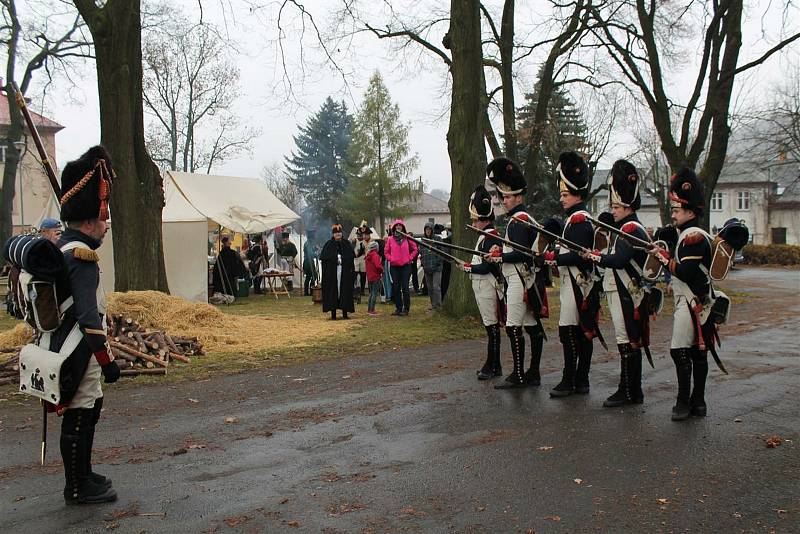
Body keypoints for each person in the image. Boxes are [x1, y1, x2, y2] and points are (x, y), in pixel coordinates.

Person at [49, 145, 120, 504]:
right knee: (79, 415)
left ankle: (84, 475)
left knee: (89, 410)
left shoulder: (63, 246)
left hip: (67, 345)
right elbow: (90, 319)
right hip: (78, 348)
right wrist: (108, 361)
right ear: (90, 221)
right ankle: (76, 486)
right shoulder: (82, 255)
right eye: (102, 220)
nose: (105, 226)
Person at [582, 159, 651, 407]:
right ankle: (630, 389)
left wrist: (596, 256)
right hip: (619, 291)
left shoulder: (631, 228)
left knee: (628, 340)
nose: (613, 209)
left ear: (627, 204)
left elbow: (620, 260)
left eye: (616, 205)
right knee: (626, 339)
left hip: (627, 292)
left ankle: (630, 390)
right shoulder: (623, 228)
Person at [649, 168, 714, 421]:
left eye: (676, 210)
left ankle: (684, 402)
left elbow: (685, 272)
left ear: (689, 211)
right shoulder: (688, 235)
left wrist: (662, 257)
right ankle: (698, 403)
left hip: (690, 302)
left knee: (680, 351)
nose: (673, 215)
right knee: (697, 352)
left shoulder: (693, 236)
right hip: (694, 300)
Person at [484, 158, 547, 389]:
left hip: (519, 279)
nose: (504, 201)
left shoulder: (519, 220)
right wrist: (501, 251)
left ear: (519, 197)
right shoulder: (519, 219)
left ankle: (519, 374)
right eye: (503, 197)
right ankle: (532, 372)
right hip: (520, 278)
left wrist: (499, 256)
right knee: (531, 326)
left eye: (508, 197)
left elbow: (521, 254)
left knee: (513, 327)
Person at [544, 151, 602, 398]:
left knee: (570, 331)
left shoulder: (578, 220)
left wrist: (554, 257)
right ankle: (581, 379)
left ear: (577, 194)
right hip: (578, 284)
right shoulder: (577, 219)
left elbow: (578, 255)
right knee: (581, 332)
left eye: (565, 194)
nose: (562, 199)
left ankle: (571, 379)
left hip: (578, 284)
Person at [459, 186, 504, 379]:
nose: (474, 223)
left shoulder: (491, 237)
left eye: (475, 220)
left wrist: (468, 267)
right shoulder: (484, 236)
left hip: (488, 286)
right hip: (481, 286)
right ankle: (495, 365)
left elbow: (486, 267)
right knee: (490, 327)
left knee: (492, 327)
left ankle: (492, 366)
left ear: (482, 218)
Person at [319, 224, 355, 320]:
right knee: (333, 291)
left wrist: (343, 260)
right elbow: (324, 259)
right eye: (335, 233)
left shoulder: (347, 244)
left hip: (344, 273)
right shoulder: (328, 245)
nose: (338, 234)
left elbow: (351, 257)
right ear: (333, 234)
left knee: (344, 291)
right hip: (332, 274)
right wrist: (334, 259)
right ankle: (333, 314)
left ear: (341, 233)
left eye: (339, 232)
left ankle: (345, 313)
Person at [383, 219, 418, 316]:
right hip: (394, 267)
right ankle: (398, 308)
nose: (398, 227)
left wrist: (409, 258)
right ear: (394, 228)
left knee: (405, 288)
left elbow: (415, 249)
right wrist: (391, 259)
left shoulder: (407, 238)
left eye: (400, 226)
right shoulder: (390, 239)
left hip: (406, 266)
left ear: (403, 228)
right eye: (397, 226)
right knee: (396, 287)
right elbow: (386, 252)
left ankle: (406, 309)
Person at [419, 222, 444, 310]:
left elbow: (442, 253)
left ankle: (438, 305)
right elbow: (421, 253)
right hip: (427, 268)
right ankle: (433, 305)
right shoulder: (423, 241)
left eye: (429, 229)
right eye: (426, 229)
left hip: (437, 267)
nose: (428, 231)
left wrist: (437, 262)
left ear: (432, 230)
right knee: (429, 288)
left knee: (436, 287)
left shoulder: (438, 239)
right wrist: (423, 263)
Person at [365, 239, 383, 316]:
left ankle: (369, 309)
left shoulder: (367, 256)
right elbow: (378, 266)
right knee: (374, 294)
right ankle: (372, 310)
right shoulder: (375, 255)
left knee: (371, 293)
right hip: (376, 276)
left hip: (369, 277)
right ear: (376, 248)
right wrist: (382, 270)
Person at [302, 230, 318, 296]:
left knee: (309, 277)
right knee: (314, 276)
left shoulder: (308, 243)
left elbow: (311, 251)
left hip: (308, 261)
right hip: (308, 262)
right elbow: (310, 253)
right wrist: (316, 255)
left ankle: (307, 292)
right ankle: (311, 291)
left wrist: (314, 249)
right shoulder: (308, 244)